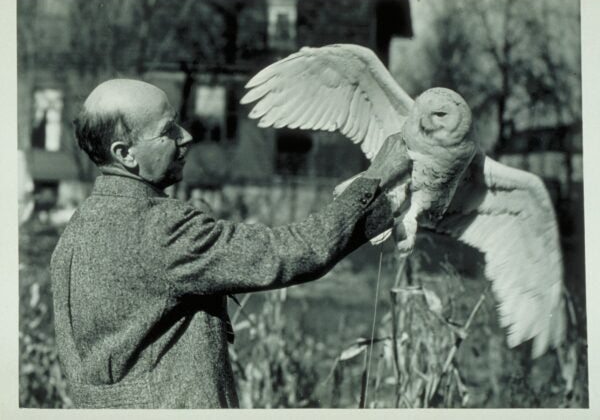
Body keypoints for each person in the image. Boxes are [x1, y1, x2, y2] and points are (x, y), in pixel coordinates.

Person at [50, 78, 411, 408]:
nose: (186, 136)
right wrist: (376, 178)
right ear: (125, 154)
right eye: (167, 130)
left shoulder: (74, 232)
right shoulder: (160, 227)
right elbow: (295, 251)